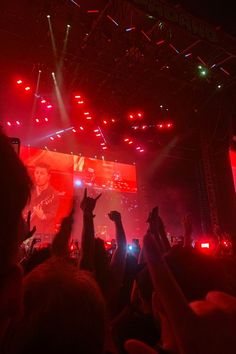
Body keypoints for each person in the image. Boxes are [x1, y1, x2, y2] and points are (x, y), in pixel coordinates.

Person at [24, 162, 59, 241]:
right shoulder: (30, 190)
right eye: (37, 173)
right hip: (27, 233)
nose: (38, 176)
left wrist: (43, 216)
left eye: (42, 173)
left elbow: (53, 214)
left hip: (43, 235)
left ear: (48, 176)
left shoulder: (53, 194)